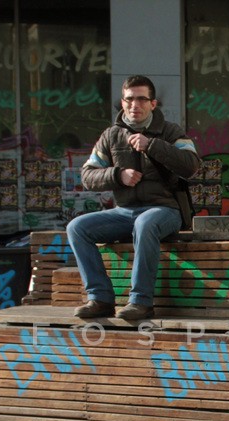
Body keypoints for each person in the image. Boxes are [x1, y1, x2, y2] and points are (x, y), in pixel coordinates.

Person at [67, 75, 200, 320]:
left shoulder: (170, 131)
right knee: (77, 227)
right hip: (125, 211)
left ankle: (141, 302)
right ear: (122, 102)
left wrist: (152, 145)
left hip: (165, 210)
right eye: (129, 99)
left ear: (153, 104)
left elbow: (191, 165)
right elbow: (87, 175)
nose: (134, 105)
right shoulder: (111, 135)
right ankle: (100, 298)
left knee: (144, 223)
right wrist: (118, 175)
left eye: (141, 99)